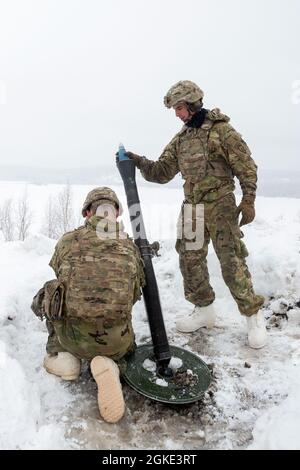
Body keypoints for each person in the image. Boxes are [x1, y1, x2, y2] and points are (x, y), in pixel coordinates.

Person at [125, 80, 267, 349]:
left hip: (221, 205)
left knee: (231, 260)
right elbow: (162, 172)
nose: (177, 114)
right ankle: (204, 310)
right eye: (175, 110)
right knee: (190, 259)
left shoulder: (221, 131)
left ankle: (253, 317)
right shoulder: (182, 138)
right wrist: (139, 162)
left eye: (179, 108)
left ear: (192, 103)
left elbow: (246, 166)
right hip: (192, 207)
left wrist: (248, 199)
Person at [32, 187, 145, 423]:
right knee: (120, 332)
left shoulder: (68, 241)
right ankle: (111, 364)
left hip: (73, 338)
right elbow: (135, 295)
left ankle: (65, 359)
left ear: (87, 213)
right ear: (116, 213)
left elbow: (59, 276)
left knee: (51, 290)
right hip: (117, 342)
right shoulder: (131, 248)